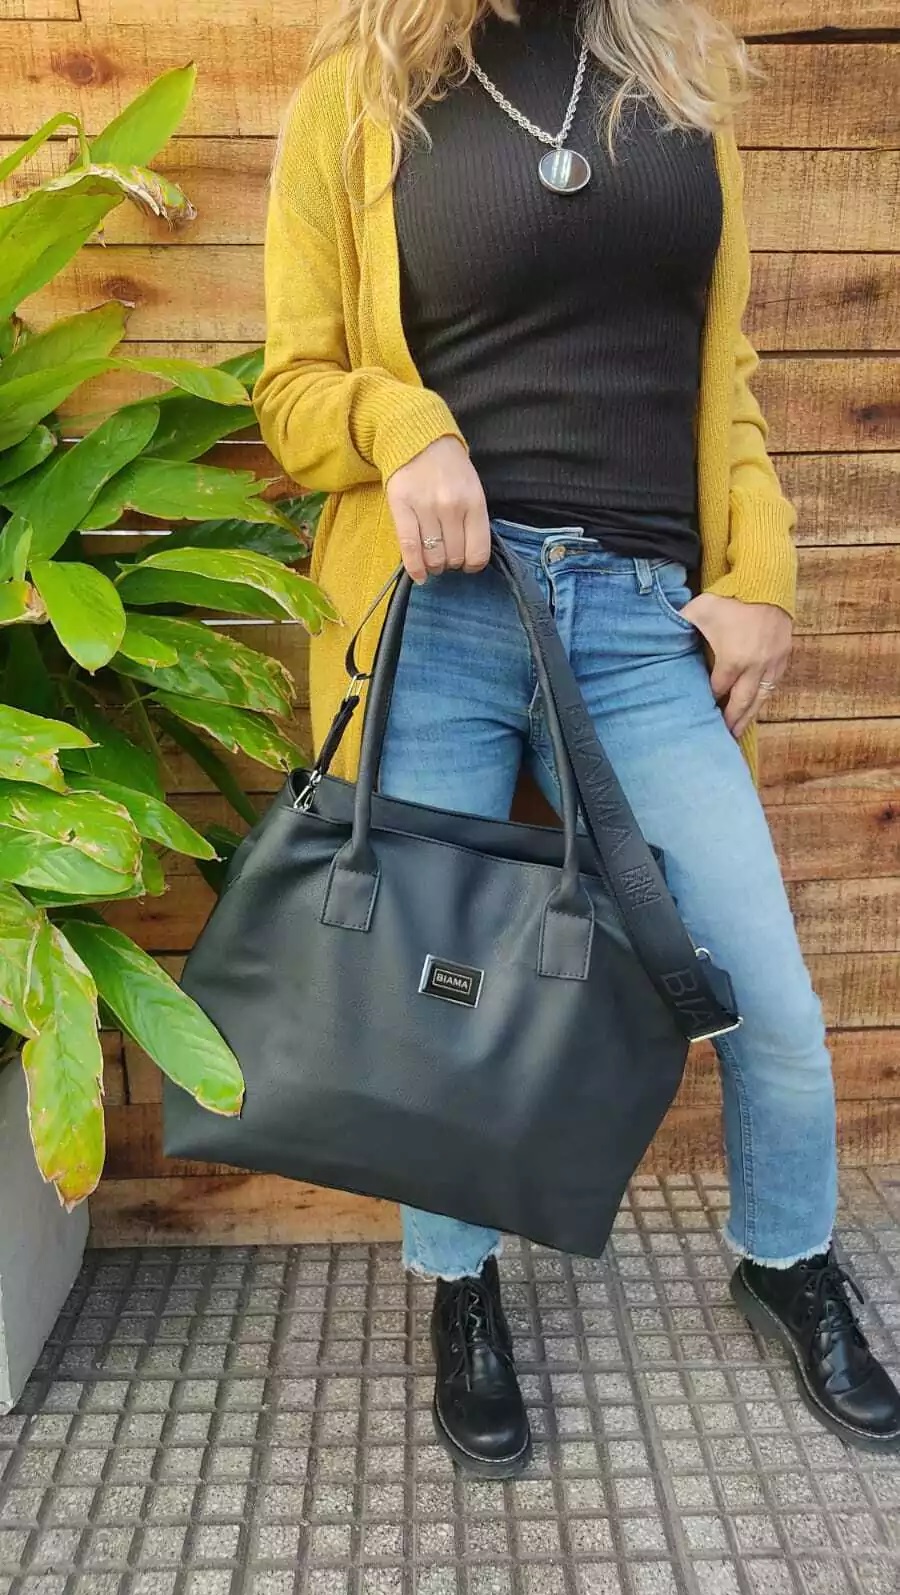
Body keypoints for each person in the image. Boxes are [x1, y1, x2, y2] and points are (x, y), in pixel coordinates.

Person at [253, 0, 900, 1473]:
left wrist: (763, 578)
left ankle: (787, 1259)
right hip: (437, 615)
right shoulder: (361, 94)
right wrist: (404, 425)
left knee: (768, 1001)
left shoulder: (679, 83)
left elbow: (722, 379)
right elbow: (289, 392)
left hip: (637, 624)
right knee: (438, 1007)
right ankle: (460, 1285)